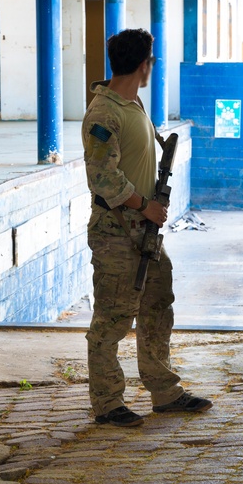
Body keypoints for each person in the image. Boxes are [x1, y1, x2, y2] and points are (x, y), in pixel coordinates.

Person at [81, 28, 212, 427]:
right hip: (118, 231)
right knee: (112, 318)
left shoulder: (133, 104)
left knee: (157, 305)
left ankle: (164, 391)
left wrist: (151, 206)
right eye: (151, 61)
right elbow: (102, 178)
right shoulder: (105, 113)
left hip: (143, 230)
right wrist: (145, 206)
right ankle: (107, 402)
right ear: (144, 65)